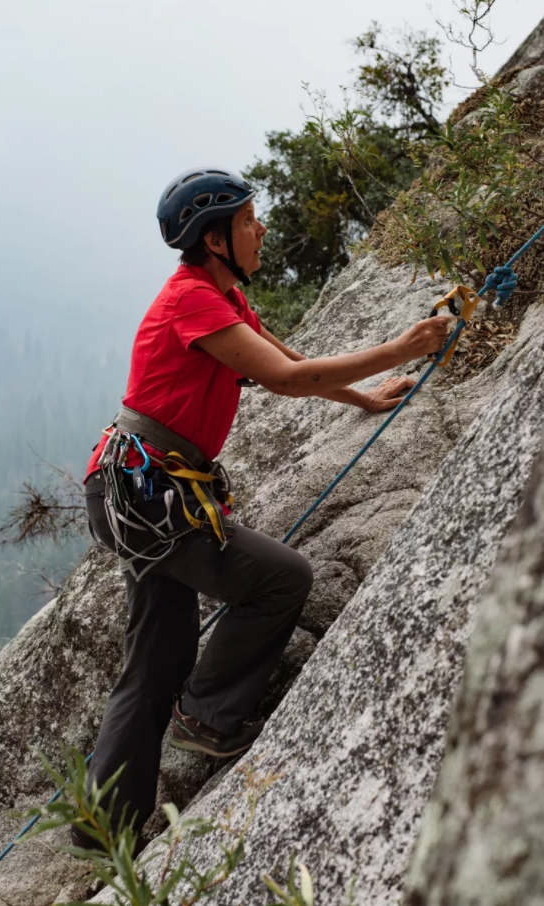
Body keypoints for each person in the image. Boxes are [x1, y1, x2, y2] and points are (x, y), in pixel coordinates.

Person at [76, 167, 450, 844]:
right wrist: (400, 346)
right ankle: (210, 718)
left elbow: (290, 366)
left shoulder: (222, 299)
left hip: (139, 493)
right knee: (280, 578)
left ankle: (105, 828)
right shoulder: (192, 301)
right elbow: (285, 376)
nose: (261, 229)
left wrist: (364, 396)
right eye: (249, 221)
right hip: (149, 496)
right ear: (214, 239)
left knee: (154, 660)